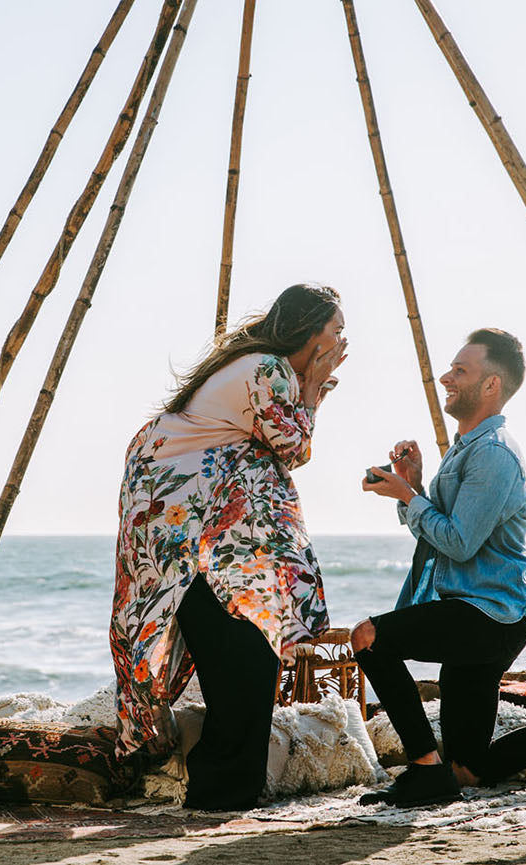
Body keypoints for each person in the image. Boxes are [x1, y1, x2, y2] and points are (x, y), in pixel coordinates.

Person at [353, 328, 526, 808]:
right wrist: (412, 485)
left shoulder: (495, 454)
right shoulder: (465, 449)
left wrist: (408, 496)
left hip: (487, 617)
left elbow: (458, 544)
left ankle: (424, 771)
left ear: (491, 386)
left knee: (369, 638)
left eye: (460, 370)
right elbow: (436, 528)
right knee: (469, 770)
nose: (446, 377)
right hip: (475, 614)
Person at [110, 283, 347, 811]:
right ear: (310, 332)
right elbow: (293, 447)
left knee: (232, 643)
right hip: (181, 511)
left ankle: (221, 783)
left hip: (177, 509)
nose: (342, 340)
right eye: (336, 330)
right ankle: (223, 787)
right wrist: (311, 389)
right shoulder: (271, 368)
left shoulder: (256, 362)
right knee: (242, 650)